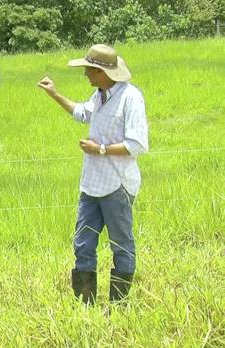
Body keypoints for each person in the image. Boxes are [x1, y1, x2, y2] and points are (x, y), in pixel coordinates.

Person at [37, 44, 149, 305]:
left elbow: (136, 145)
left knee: (121, 245)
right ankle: (85, 307)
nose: (85, 74)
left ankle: (118, 307)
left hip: (117, 185)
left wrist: (99, 149)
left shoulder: (130, 98)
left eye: (89, 69)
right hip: (91, 185)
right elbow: (81, 113)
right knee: (83, 244)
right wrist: (54, 94)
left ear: (102, 71)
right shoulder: (100, 96)